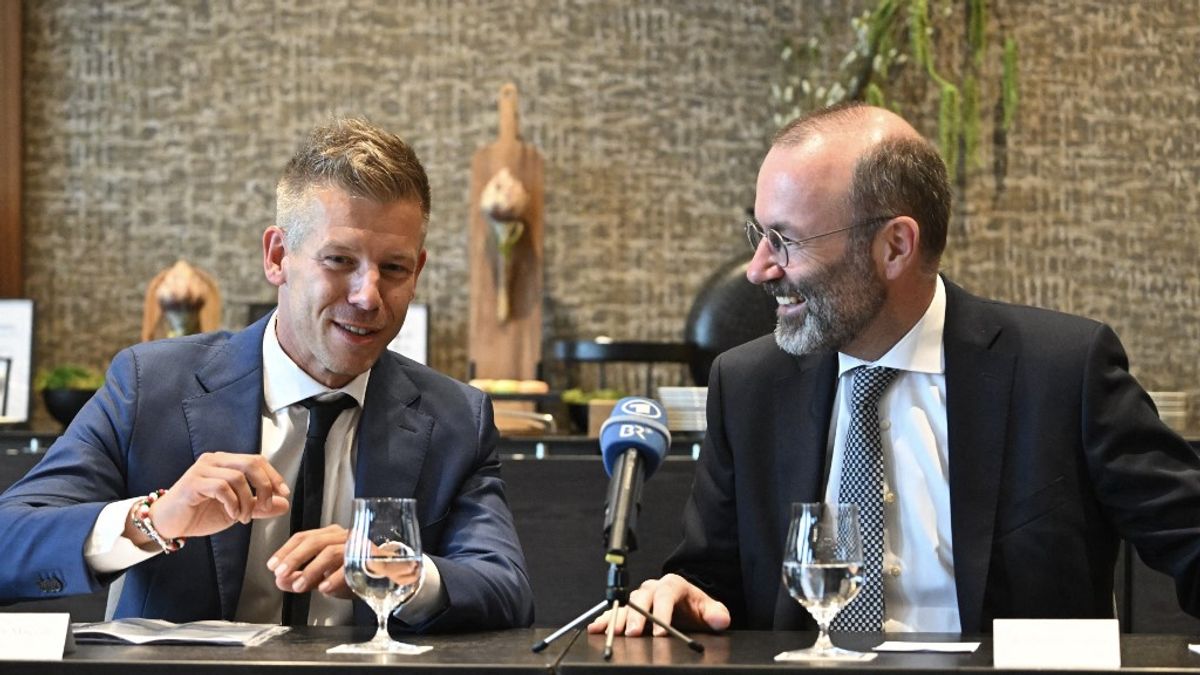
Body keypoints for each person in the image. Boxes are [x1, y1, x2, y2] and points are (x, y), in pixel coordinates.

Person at [590, 102, 1200, 636]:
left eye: (785, 240)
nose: (758, 269)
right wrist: (681, 594)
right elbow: (713, 580)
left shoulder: (1061, 372)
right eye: (760, 233)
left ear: (895, 246)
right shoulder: (748, 385)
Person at [0, 117, 535, 632]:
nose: (368, 296)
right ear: (278, 256)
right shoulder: (150, 386)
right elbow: (9, 542)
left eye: (393, 268)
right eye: (339, 260)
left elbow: (505, 588)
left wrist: (400, 569)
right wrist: (154, 521)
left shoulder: (455, 418)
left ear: (417, 271)